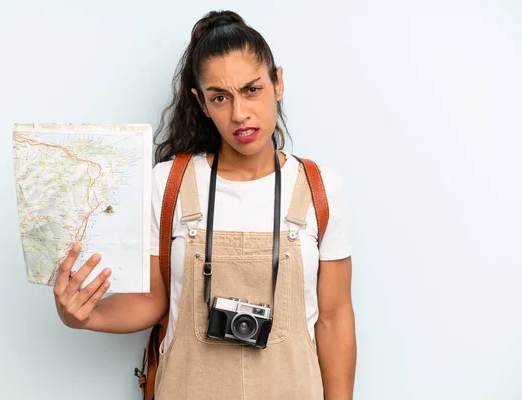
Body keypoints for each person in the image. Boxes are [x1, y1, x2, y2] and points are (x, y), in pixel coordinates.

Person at [53, 10, 356, 399]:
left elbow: (333, 319)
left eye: (252, 89)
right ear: (201, 103)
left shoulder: (319, 187)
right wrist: (82, 315)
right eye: (220, 98)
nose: (239, 113)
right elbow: (153, 301)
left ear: (278, 83)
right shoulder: (168, 183)